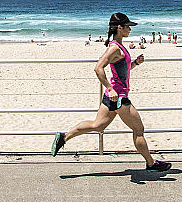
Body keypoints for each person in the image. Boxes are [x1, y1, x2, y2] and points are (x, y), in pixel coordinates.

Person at [51, 12, 171, 172]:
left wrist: (135, 63)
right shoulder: (114, 48)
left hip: (112, 97)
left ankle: (64, 137)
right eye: (127, 26)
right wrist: (110, 88)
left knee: (97, 125)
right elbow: (98, 68)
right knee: (138, 130)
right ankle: (151, 163)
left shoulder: (119, 47)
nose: (130, 29)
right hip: (119, 97)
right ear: (119, 28)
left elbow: (122, 71)